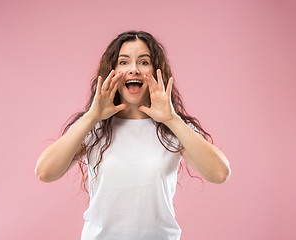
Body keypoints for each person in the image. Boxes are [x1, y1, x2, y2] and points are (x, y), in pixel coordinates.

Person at [35, 30, 231, 240]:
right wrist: (92, 116)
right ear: (112, 71)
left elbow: (220, 174)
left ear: (156, 72)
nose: (134, 70)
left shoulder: (172, 128)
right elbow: (45, 172)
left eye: (144, 62)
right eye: (124, 62)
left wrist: (172, 119)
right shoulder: (94, 127)